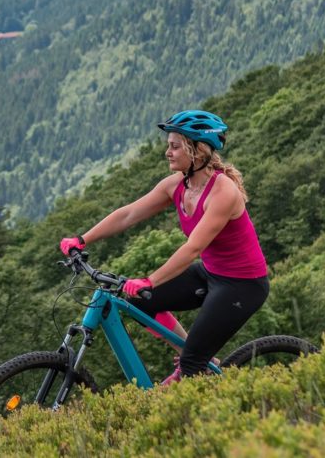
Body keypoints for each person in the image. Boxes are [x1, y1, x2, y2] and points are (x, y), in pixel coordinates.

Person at [60, 109, 268, 384]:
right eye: (168, 145)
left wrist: (150, 280)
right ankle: (191, 354)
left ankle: (199, 403)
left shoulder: (223, 192)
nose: (167, 152)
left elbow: (193, 247)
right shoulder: (176, 186)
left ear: (197, 150)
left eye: (175, 146)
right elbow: (129, 214)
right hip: (211, 273)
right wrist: (82, 239)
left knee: (192, 363)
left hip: (242, 285)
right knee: (138, 301)